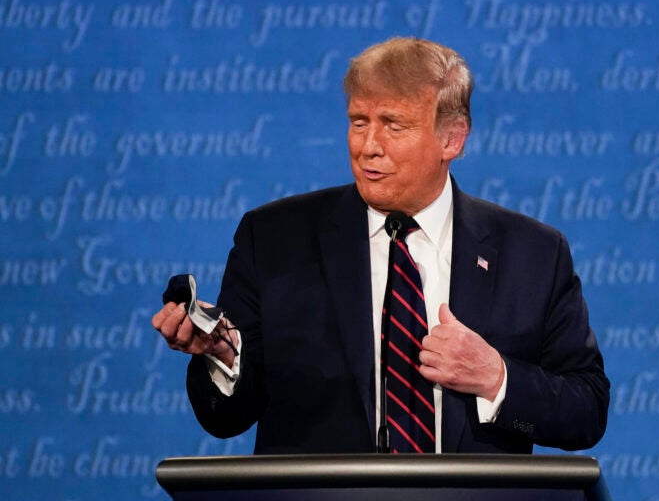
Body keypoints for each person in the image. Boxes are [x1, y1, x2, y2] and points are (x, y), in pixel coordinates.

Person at [152, 37, 609, 454]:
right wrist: (223, 357)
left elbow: (585, 412)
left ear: (452, 137)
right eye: (358, 122)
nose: (368, 146)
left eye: (393, 125)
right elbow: (226, 418)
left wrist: (496, 378)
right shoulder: (274, 240)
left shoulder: (532, 254)